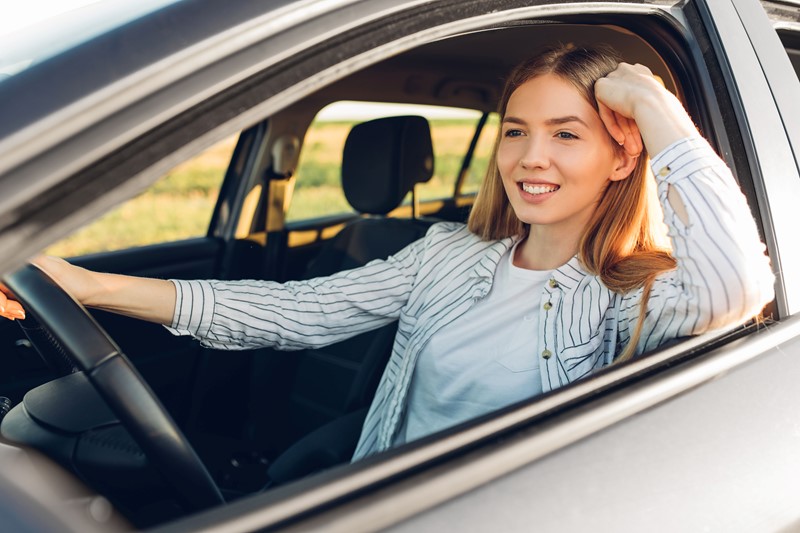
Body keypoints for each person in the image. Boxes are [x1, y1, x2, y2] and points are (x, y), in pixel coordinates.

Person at [0, 45, 775, 460]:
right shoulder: (446, 255)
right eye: (515, 130)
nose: (530, 158)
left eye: (566, 134)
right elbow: (294, 311)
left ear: (620, 156)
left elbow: (737, 286)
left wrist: (654, 107)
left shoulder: (633, 295)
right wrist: (85, 283)